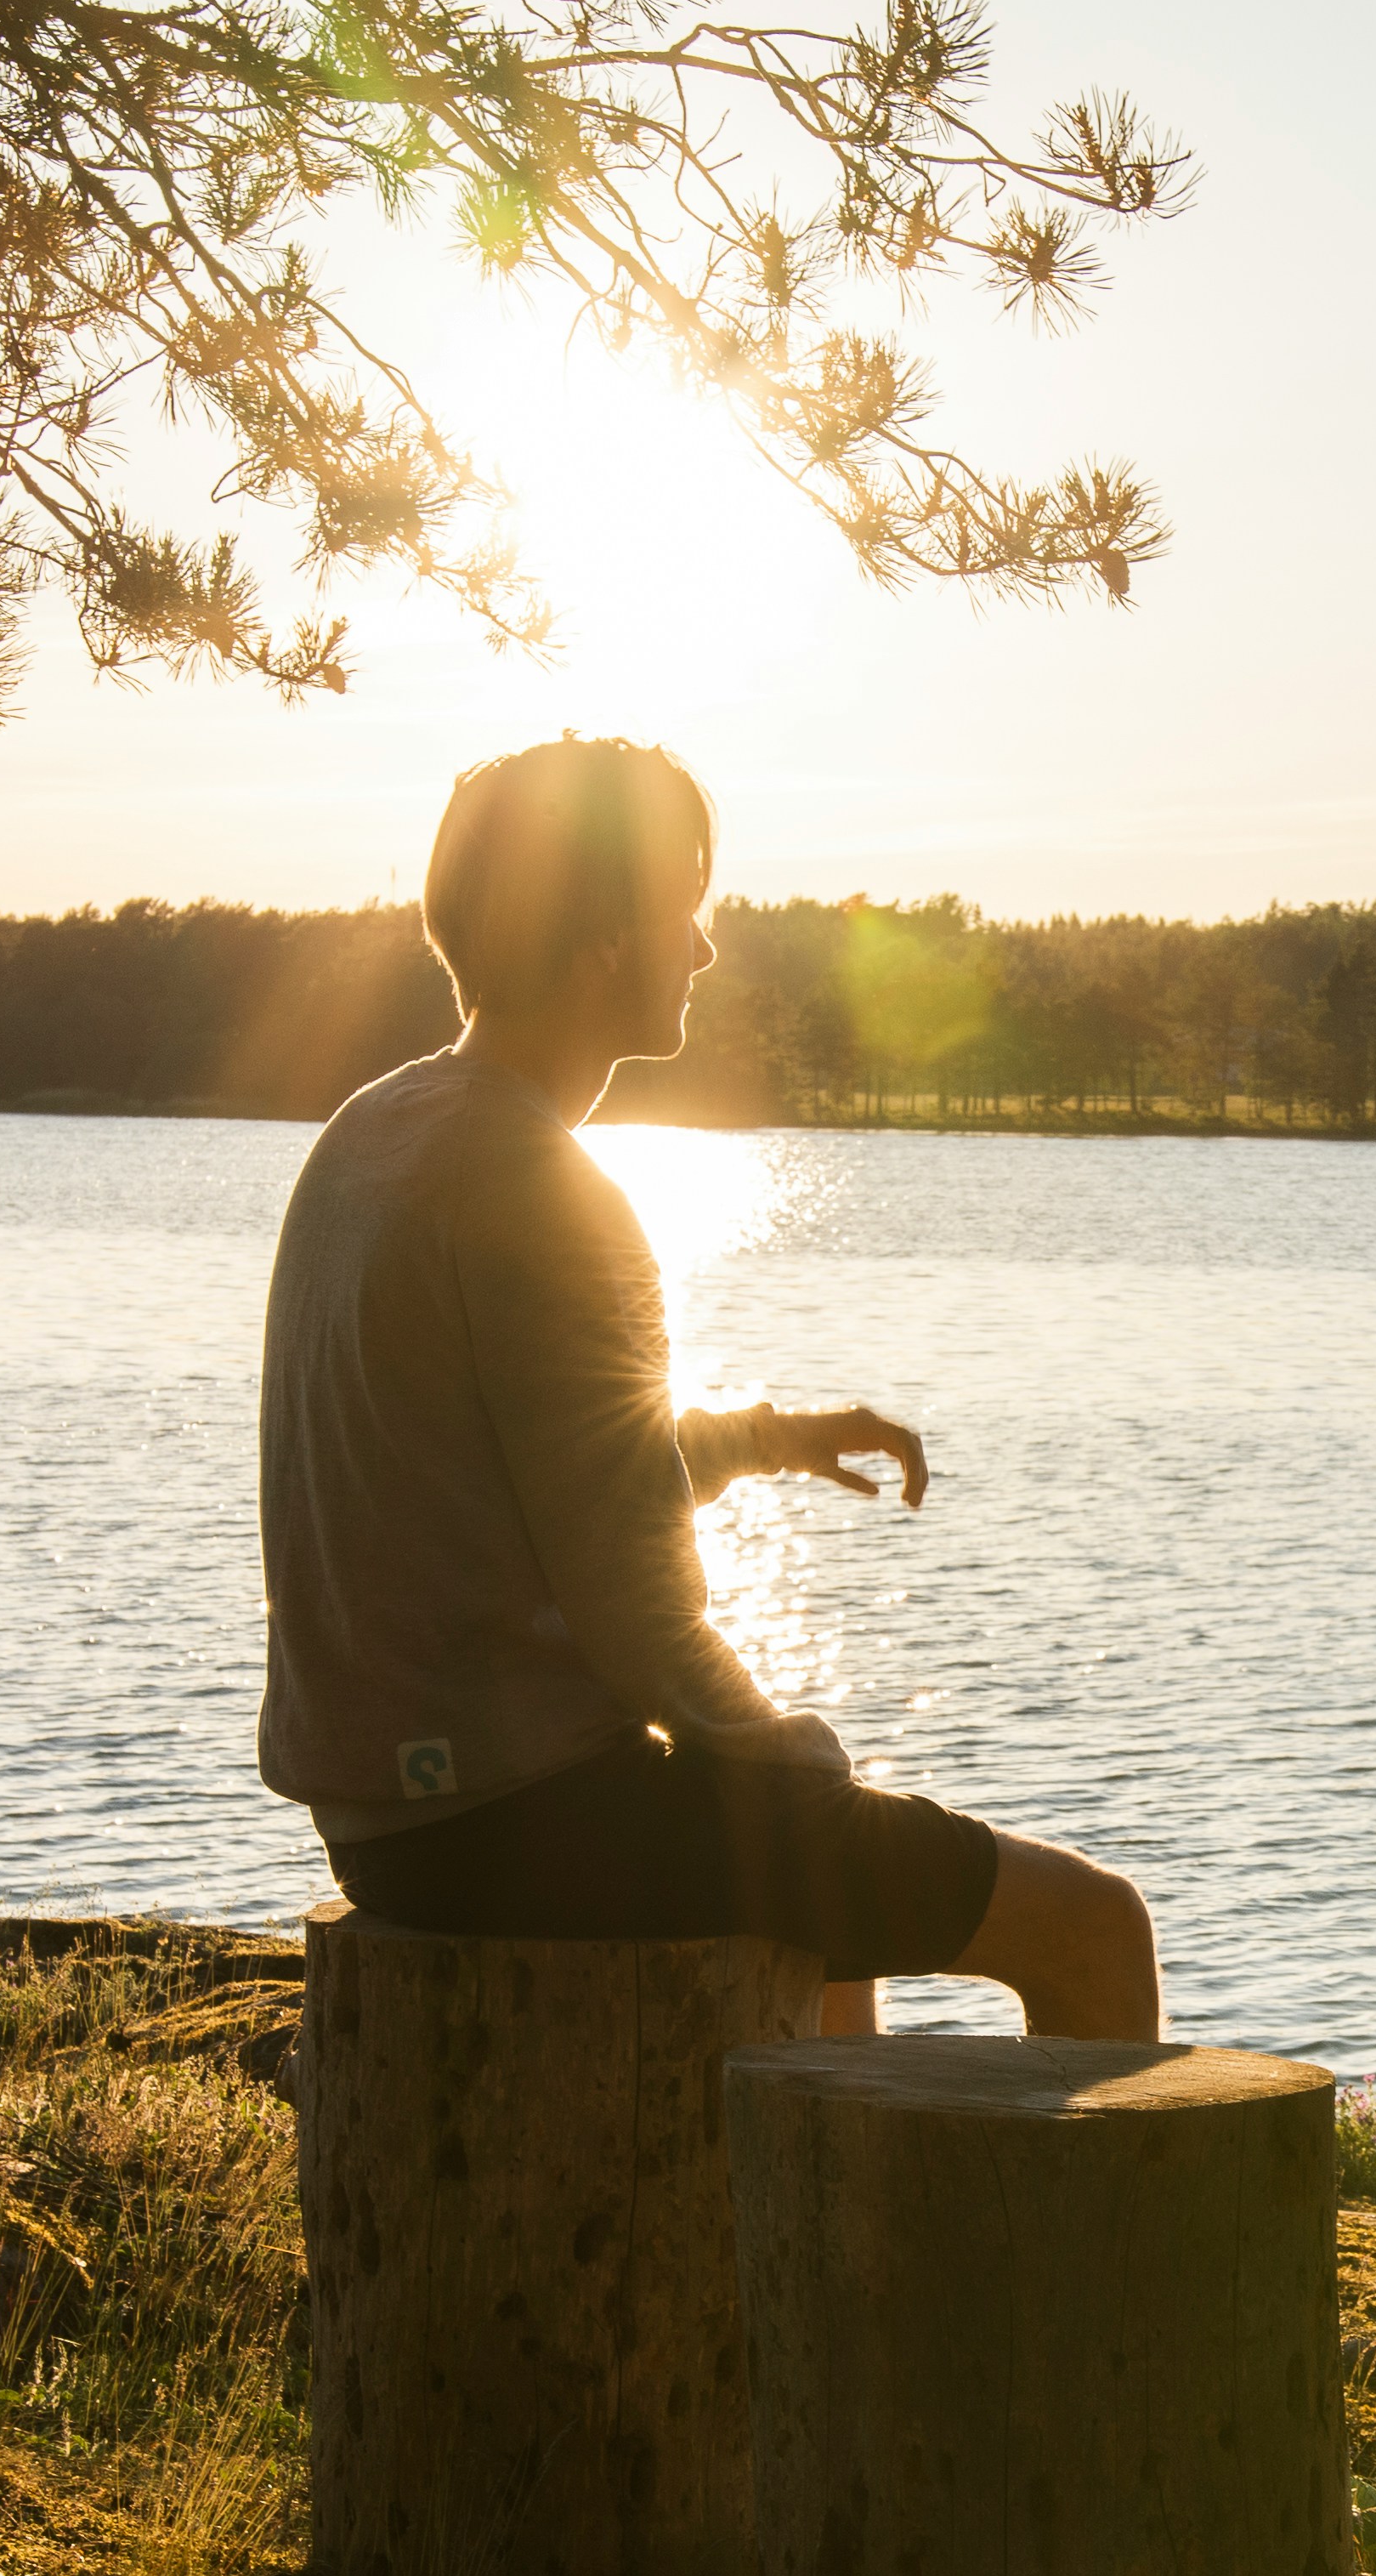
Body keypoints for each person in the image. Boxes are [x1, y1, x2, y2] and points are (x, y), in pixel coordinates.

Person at [259, 737, 1160, 2040]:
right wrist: (801, 1755)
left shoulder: (378, 1131)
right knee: (1089, 1924)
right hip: (521, 1823)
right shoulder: (546, 1189)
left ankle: (831, 2229)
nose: (708, 947)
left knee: (818, 1900)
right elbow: (638, 1607)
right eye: (687, 910)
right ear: (609, 940)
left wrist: (765, 1440)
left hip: (385, 1821)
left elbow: (527, 1475)